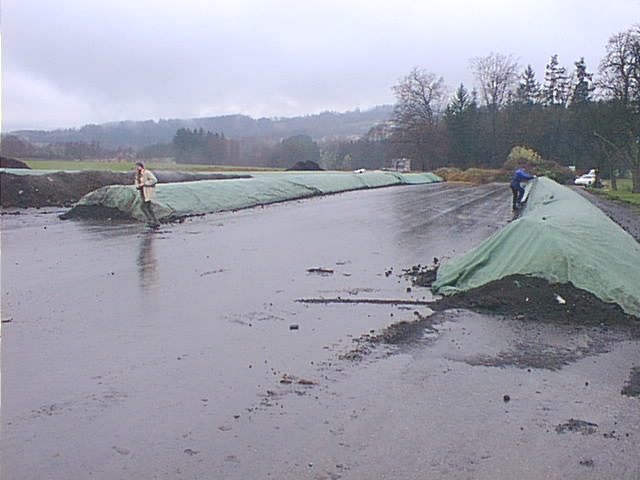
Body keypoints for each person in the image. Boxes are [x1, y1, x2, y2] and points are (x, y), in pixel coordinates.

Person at [134, 162, 159, 226]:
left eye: (137, 166)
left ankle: (152, 220)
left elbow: (154, 180)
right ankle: (153, 220)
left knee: (144, 206)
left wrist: (145, 184)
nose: (136, 168)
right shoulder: (137, 174)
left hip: (147, 192)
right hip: (142, 192)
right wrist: (137, 186)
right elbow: (137, 181)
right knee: (147, 207)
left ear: (141, 166)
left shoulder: (147, 173)